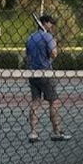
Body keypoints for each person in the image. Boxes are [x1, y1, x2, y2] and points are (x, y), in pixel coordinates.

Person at [25, 14, 70, 143]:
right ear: (44, 23)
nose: (52, 26)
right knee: (53, 102)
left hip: (33, 74)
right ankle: (56, 132)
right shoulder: (48, 37)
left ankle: (33, 133)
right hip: (46, 73)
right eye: (50, 23)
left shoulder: (30, 38)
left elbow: (27, 55)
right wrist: (54, 44)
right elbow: (54, 54)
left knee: (35, 102)